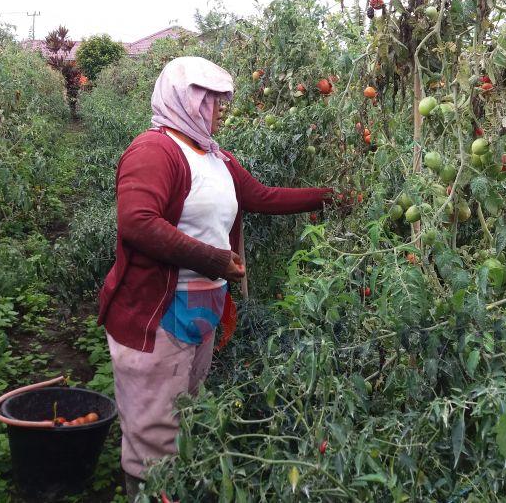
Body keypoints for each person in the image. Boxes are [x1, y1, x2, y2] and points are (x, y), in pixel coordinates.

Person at [97, 56, 332, 500]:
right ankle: (145, 492)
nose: (221, 108)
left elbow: (261, 196)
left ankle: (172, 487)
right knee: (152, 435)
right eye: (212, 99)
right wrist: (215, 261)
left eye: (223, 100)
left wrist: (329, 198)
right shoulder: (154, 151)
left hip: (198, 312)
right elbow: (138, 222)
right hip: (155, 313)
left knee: (182, 413)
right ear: (184, 100)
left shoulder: (214, 156)